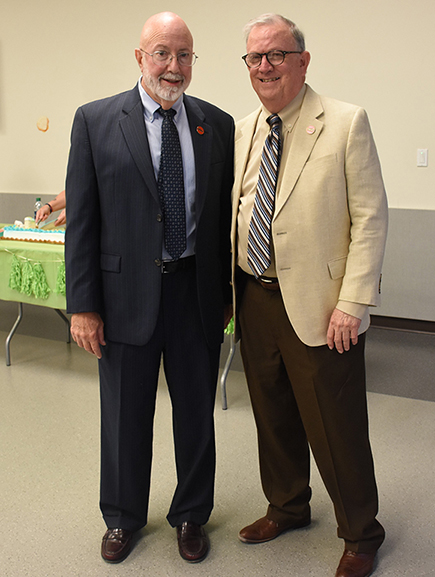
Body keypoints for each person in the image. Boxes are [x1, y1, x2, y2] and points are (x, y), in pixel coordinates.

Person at [65, 12, 234, 564]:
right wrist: (84, 306)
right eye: (162, 53)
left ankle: (190, 514)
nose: (174, 66)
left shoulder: (217, 125)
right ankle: (122, 517)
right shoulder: (94, 121)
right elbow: (83, 222)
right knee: (123, 416)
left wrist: (228, 296)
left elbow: (221, 224)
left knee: (195, 414)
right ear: (139, 58)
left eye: (184, 55)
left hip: (194, 296)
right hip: (122, 300)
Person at [231, 13, 388, 577]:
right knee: (272, 414)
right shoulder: (244, 129)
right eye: (254, 57)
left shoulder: (345, 122)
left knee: (336, 422)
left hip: (323, 305)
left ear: (302, 60)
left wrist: (354, 301)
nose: (264, 65)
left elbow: (370, 218)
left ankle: (361, 533)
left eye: (275, 54)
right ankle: (288, 505)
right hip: (255, 296)